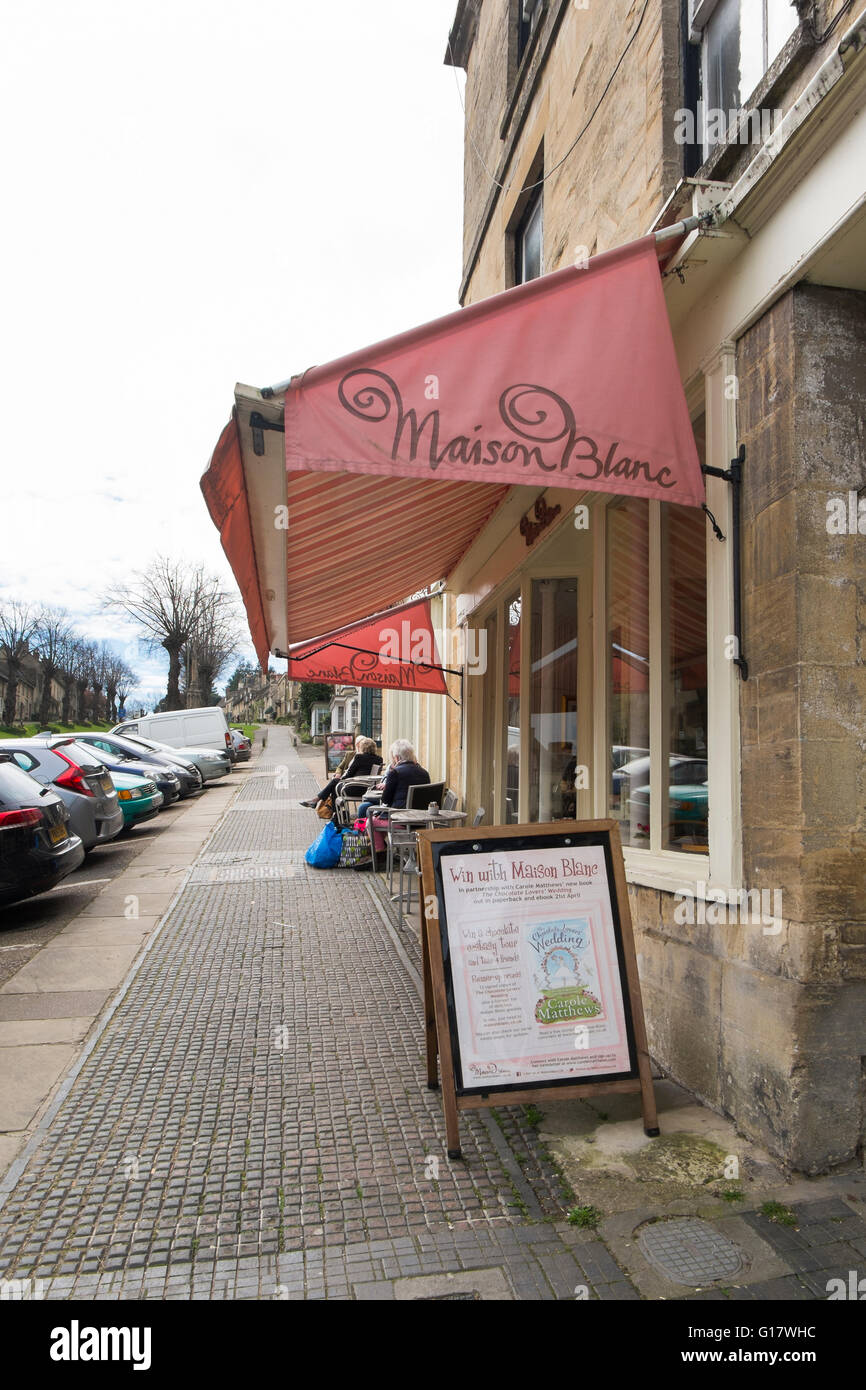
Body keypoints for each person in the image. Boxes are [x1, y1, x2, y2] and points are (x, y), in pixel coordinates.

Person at [299, 736, 381, 811]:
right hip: (367, 789)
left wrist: (341, 779)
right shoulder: (379, 759)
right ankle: (330, 812)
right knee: (335, 784)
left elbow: (349, 774)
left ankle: (323, 805)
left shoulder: (359, 757)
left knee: (335, 783)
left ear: (363, 747)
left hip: (355, 787)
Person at [356, 739, 429, 820]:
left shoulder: (395, 772)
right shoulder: (425, 773)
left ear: (397, 758)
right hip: (421, 818)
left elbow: (385, 800)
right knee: (365, 807)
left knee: (370, 821)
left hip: (398, 818)